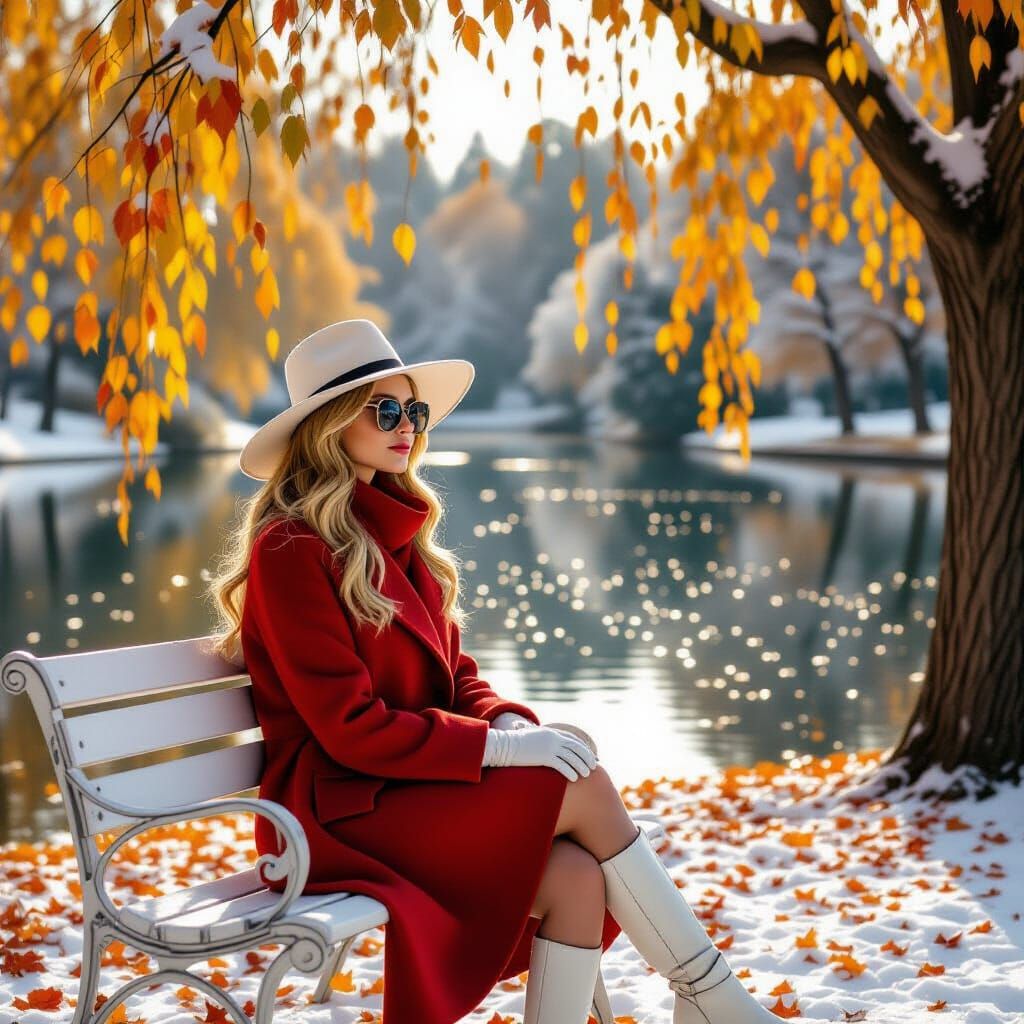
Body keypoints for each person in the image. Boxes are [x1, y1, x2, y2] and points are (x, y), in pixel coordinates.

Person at [207, 319, 793, 1024]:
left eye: (414, 412)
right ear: (330, 427)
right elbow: (348, 730)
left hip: (397, 789)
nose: (408, 427)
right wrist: (507, 751)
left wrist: (507, 720)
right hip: (330, 813)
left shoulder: (395, 536)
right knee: (581, 783)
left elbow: (458, 678)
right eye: (386, 410)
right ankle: (709, 996)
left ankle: (704, 998)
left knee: (575, 876)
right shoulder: (291, 547)